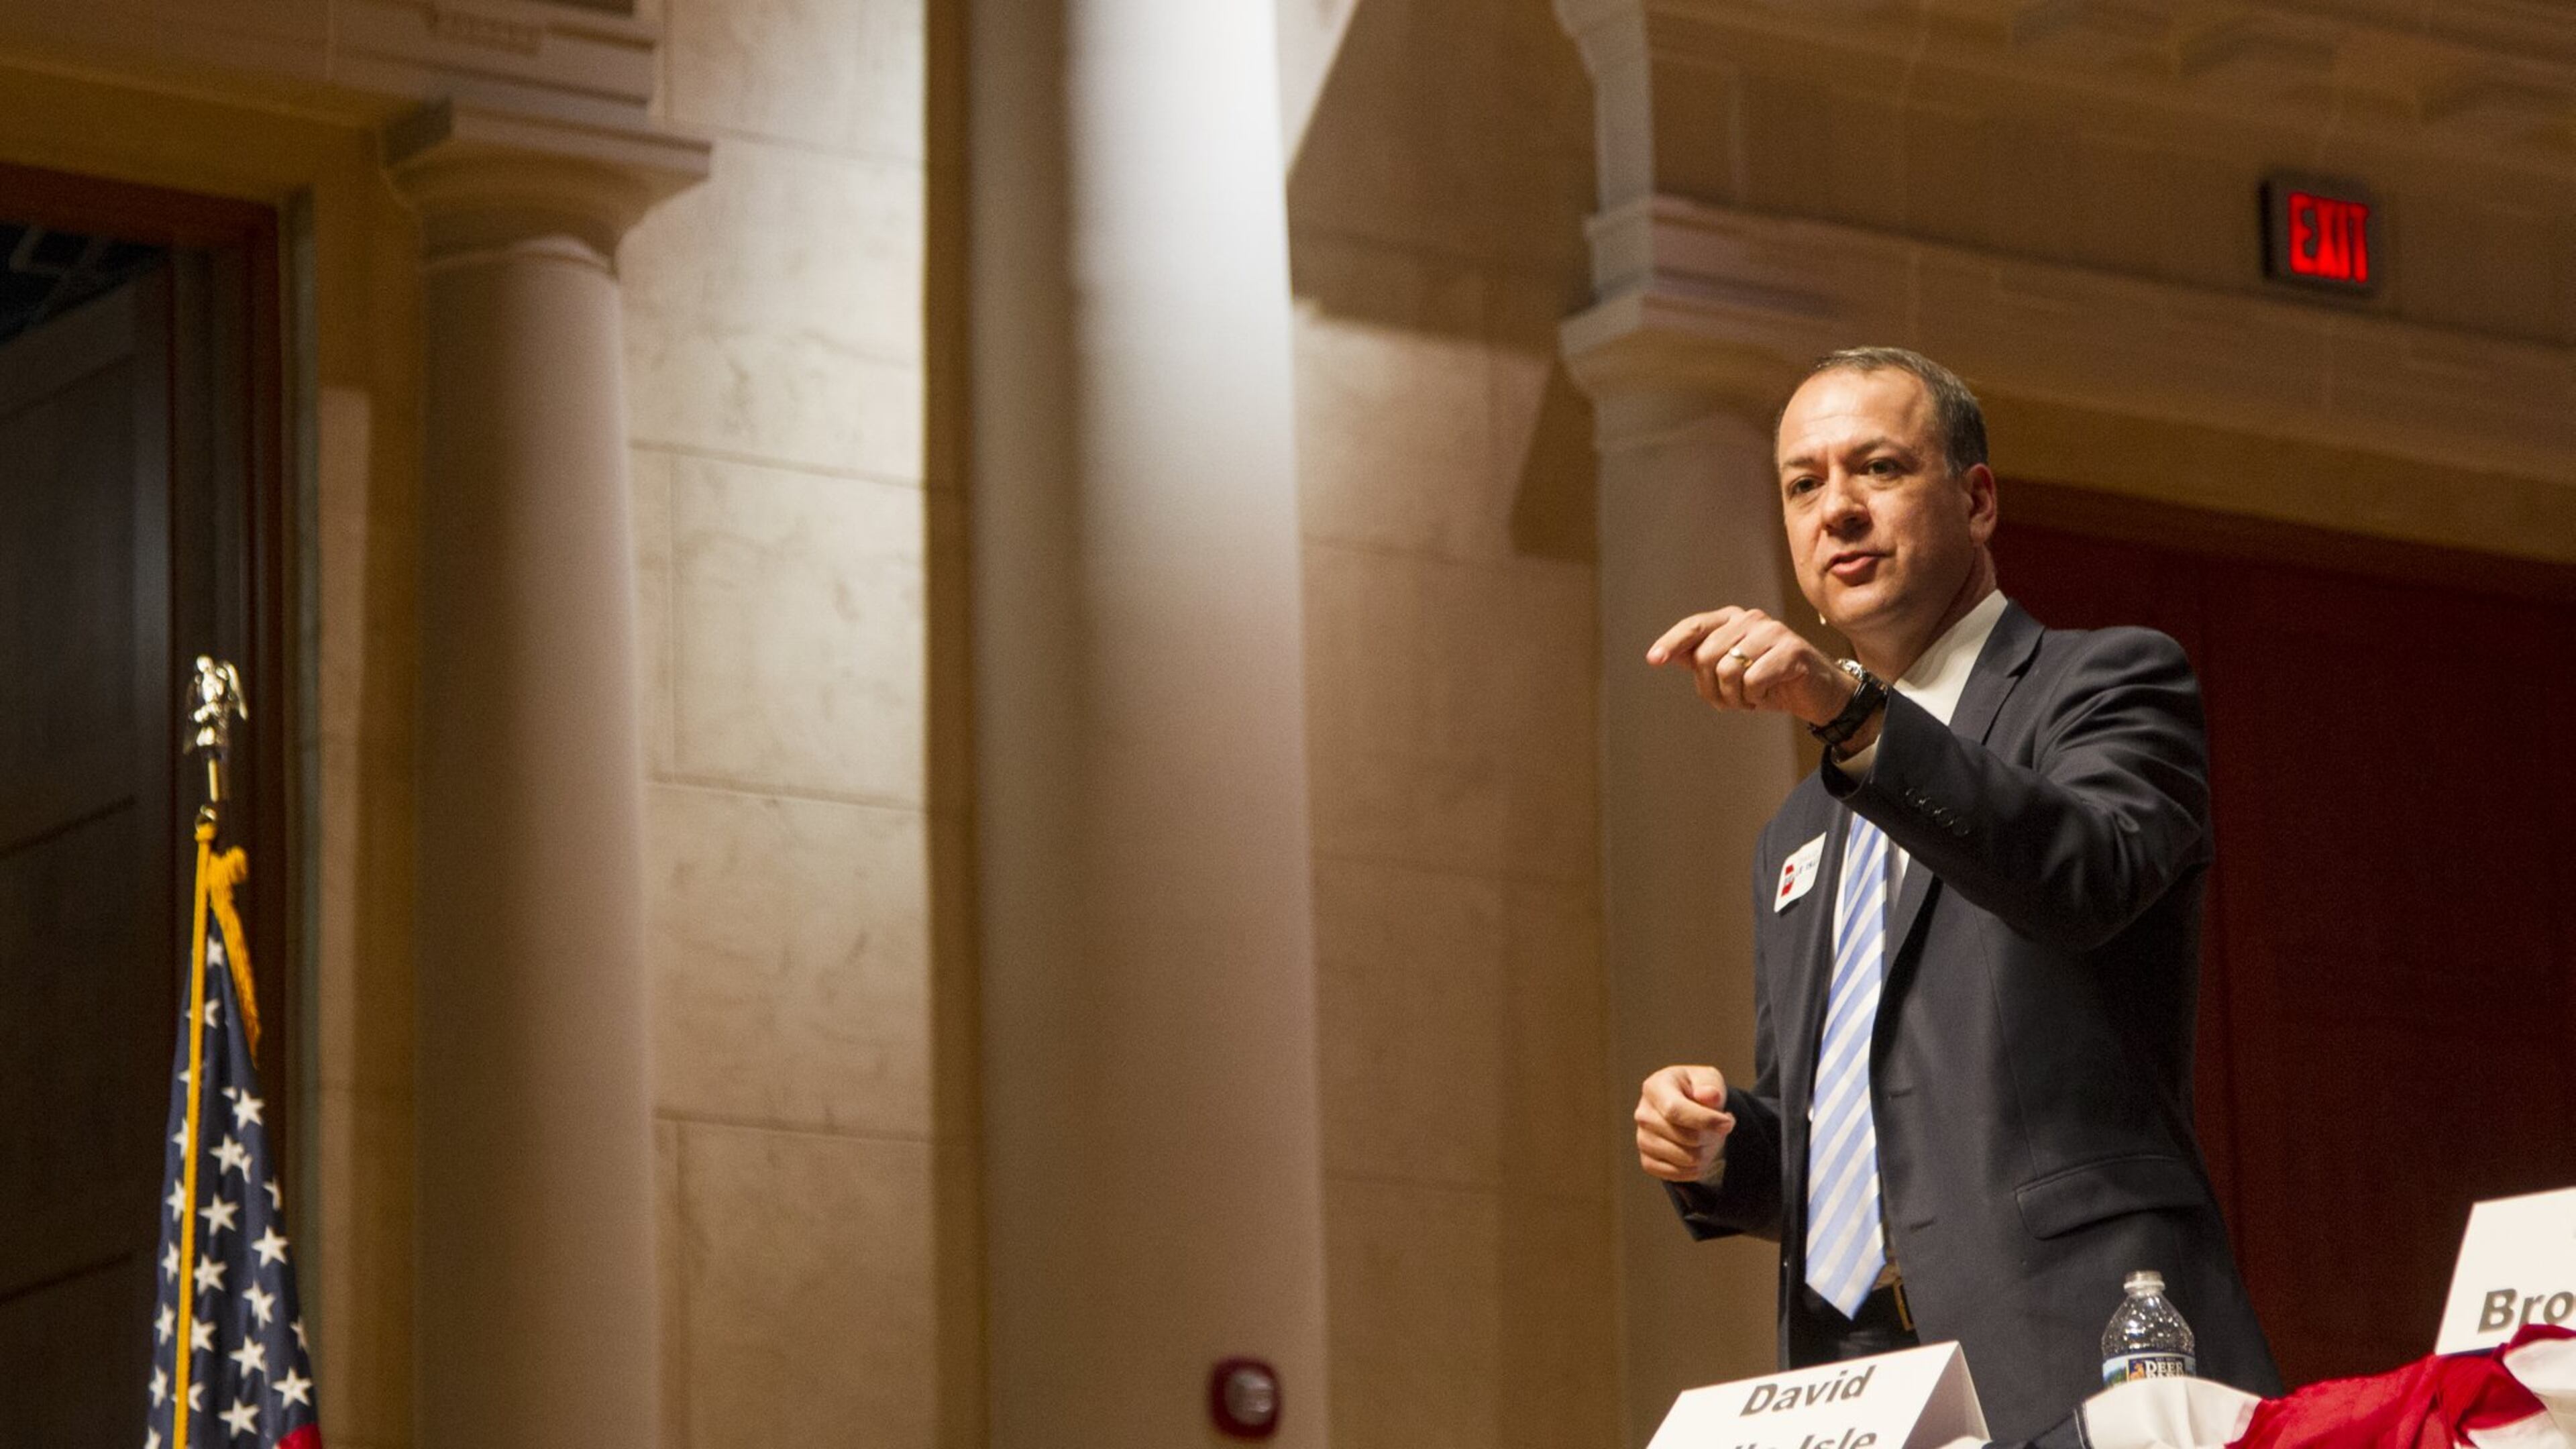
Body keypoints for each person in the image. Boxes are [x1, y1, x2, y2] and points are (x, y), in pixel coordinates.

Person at [1630, 347, 2282, 1441]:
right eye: (1804, 483)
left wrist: (1851, 715)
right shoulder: (1798, 831)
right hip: (1864, 1390)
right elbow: (1854, 1144)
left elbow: (2084, 875)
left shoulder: (2108, 683)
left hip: (2084, 1348)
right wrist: (1721, 1144)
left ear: (1977, 500)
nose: (1837, 509)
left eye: (1878, 468)